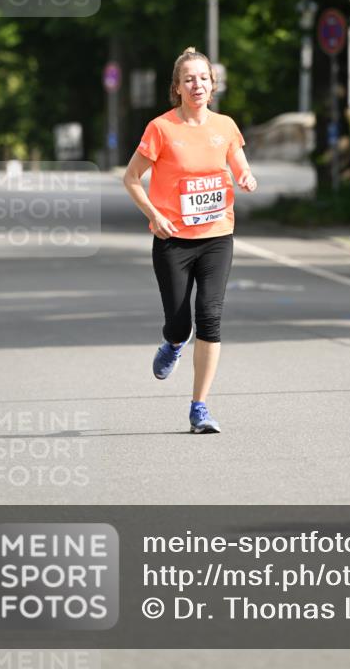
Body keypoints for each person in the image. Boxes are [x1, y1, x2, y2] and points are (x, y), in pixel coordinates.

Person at [123, 47, 257, 433]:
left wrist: (246, 178)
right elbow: (131, 178)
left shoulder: (225, 126)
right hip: (173, 239)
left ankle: (200, 407)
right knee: (180, 324)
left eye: (203, 78)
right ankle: (173, 343)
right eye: (189, 79)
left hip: (217, 235)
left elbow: (239, 166)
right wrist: (155, 215)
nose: (197, 85)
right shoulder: (161, 129)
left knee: (210, 317)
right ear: (177, 88)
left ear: (213, 85)